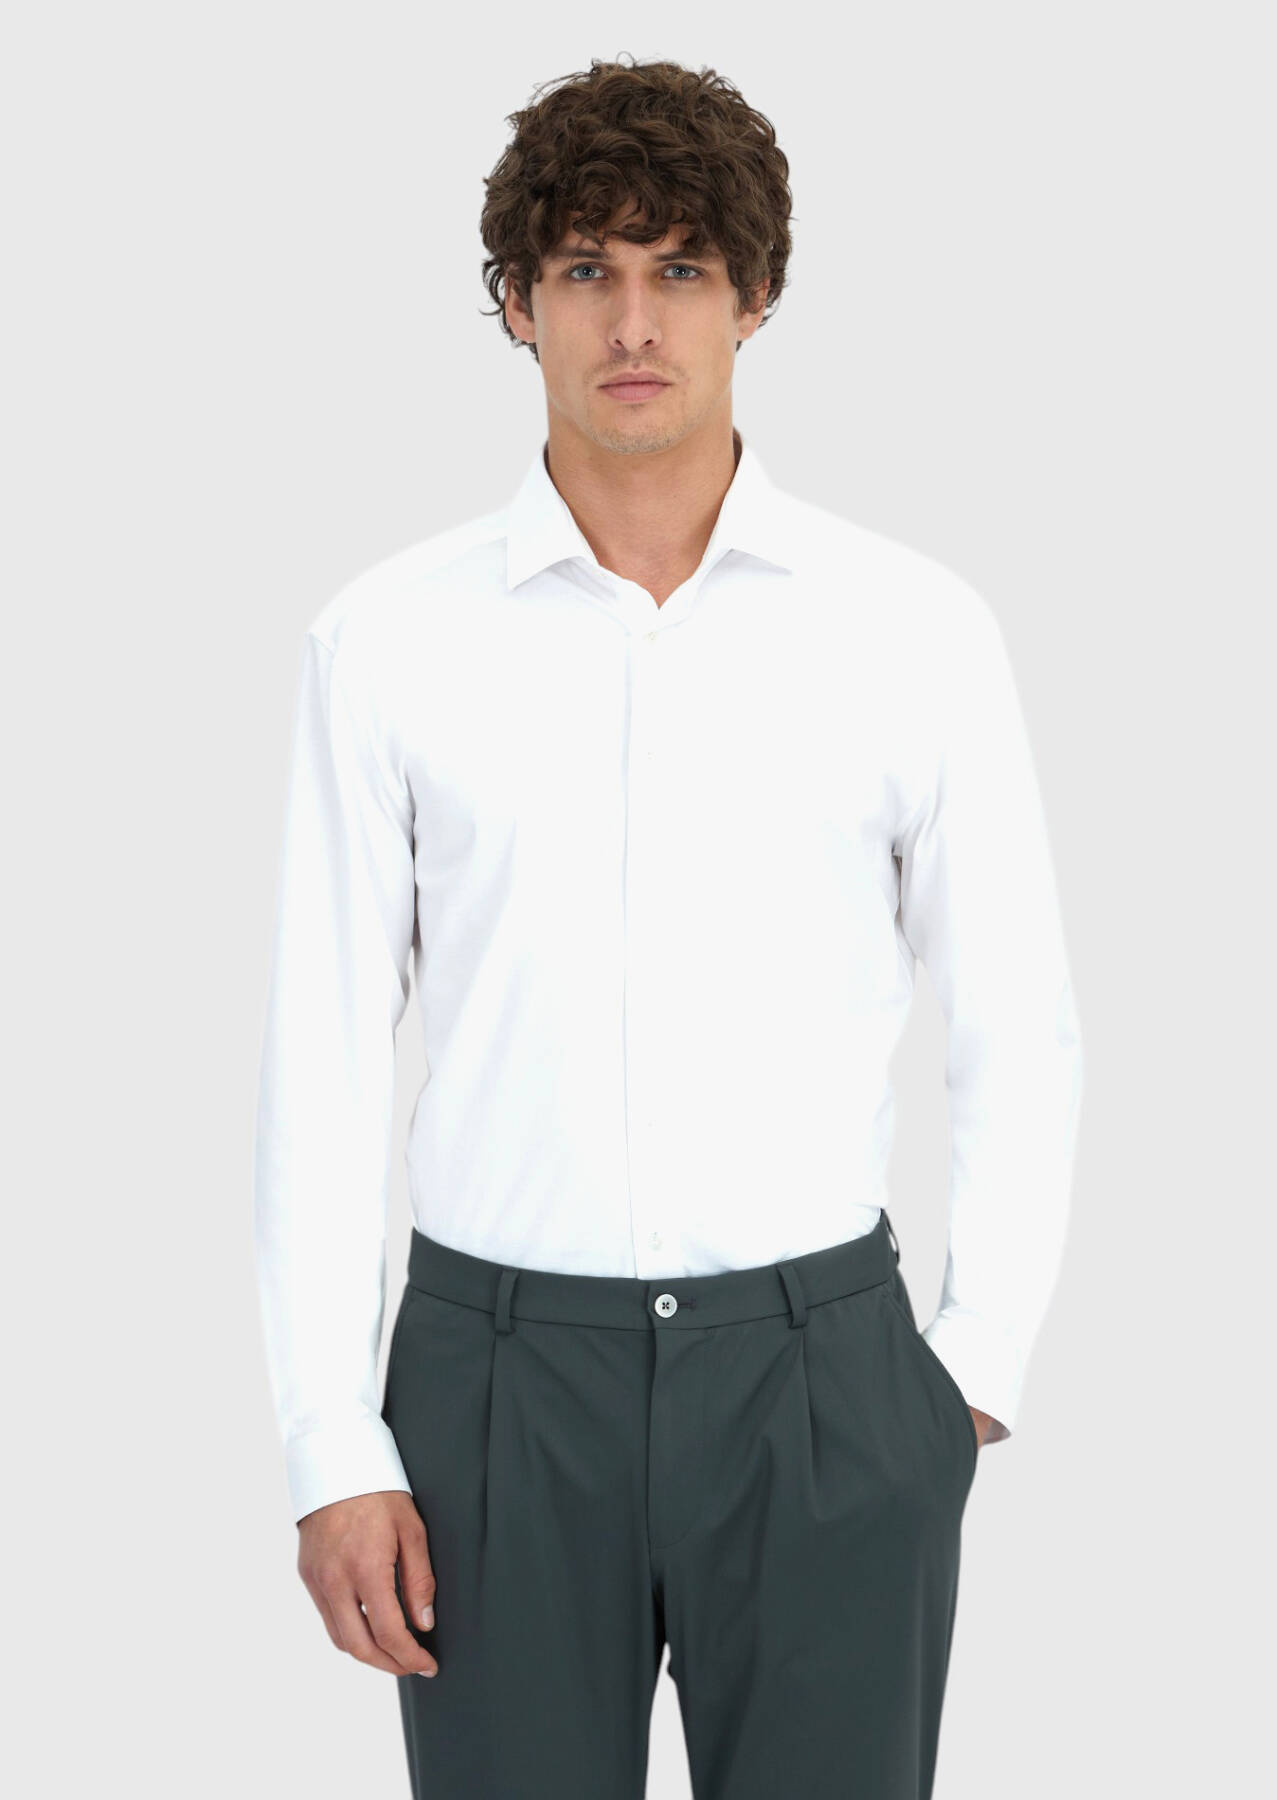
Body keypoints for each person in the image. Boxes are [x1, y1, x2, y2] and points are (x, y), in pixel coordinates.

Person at [253, 52, 1084, 1800]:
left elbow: (1016, 1018)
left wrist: (962, 1376)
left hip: (824, 1385)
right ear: (516, 304)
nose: (632, 322)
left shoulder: (910, 630)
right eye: (584, 269)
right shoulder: (386, 644)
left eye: (680, 268)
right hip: (491, 1391)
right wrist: (335, 1445)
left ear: (753, 296)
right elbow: (320, 1063)